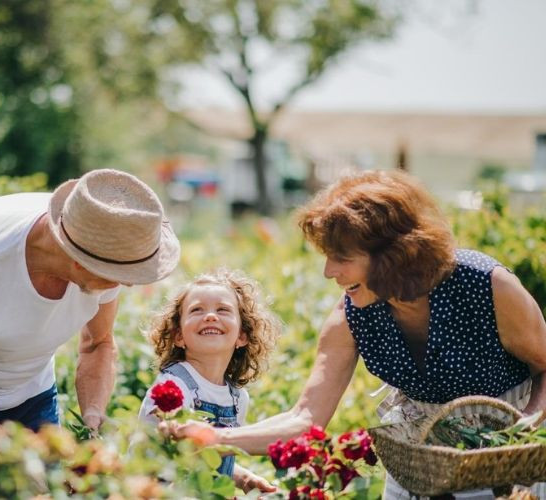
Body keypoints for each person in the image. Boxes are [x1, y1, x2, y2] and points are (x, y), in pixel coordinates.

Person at [166, 170, 546, 499]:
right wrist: (217, 437)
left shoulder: (484, 285)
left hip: (503, 455)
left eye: (342, 258)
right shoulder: (352, 315)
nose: (329, 272)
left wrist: (528, 420)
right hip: (419, 459)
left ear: (394, 254)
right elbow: (305, 419)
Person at [0, 168, 180, 443]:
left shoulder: (106, 239)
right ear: (79, 261)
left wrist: (93, 416)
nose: (128, 284)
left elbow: (98, 343)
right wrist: (10, 452)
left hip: (30, 393)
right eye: (120, 276)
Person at [139, 269, 280, 494]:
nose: (211, 316)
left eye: (223, 309)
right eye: (197, 310)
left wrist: (243, 477)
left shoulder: (237, 399)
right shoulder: (173, 388)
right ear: (179, 336)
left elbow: (209, 458)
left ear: (242, 336)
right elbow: (162, 465)